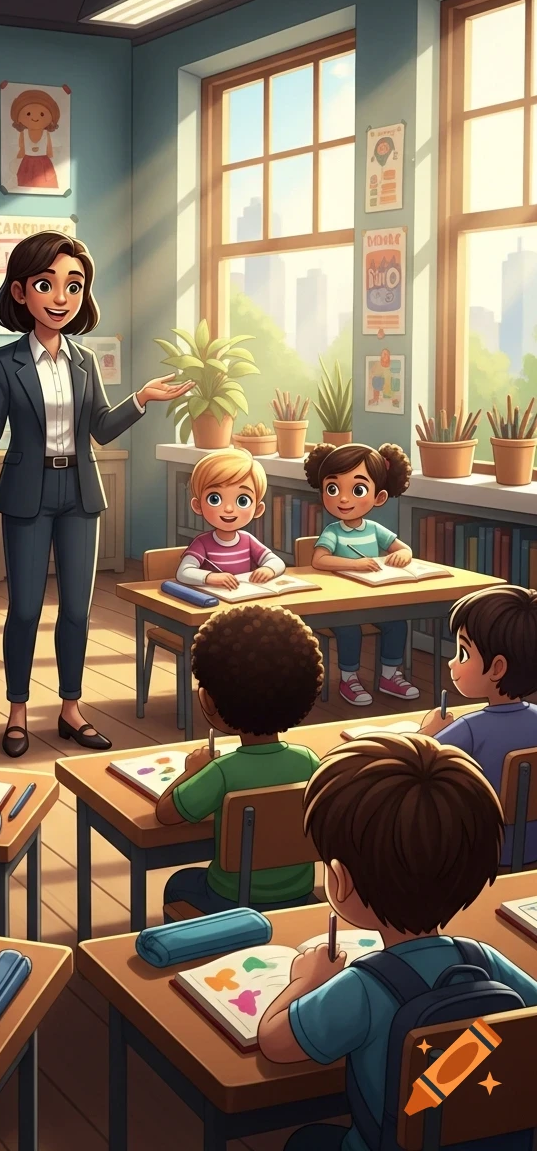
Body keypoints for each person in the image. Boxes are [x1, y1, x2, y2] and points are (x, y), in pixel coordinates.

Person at [0, 231, 190, 757]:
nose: (61, 298)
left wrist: (142, 399)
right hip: (27, 491)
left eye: (74, 286)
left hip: (80, 490)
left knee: (79, 612)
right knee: (24, 609)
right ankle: (16, 711)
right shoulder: (6, 362)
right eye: (47, 284)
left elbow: (102, 430)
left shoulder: (84, 362)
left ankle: (70, 708)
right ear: (21, 293)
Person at [257, 733, 537, 1151]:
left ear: (339, 878)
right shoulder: (484, 960)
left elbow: (275, 1043)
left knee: (305, 1141)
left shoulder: (363, 987)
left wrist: (305, 979)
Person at [157, 605, 322, 915]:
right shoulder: (309, 761)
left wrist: (192, 771)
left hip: (231, 900)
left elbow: (166, 814)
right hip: (300, 895)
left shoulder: (222, 771)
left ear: (209, 700)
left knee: (179, 883)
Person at [420, 584, 537, 868]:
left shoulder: (470, 729)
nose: (451, 663)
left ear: (497, 669)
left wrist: (427, 732)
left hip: (482, 852)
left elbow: (413, 760)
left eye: (463, 653)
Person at [304, 442, 418, 707]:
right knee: (349, 629)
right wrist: (356, 564)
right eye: (333, 489)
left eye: (357, 490)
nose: (344, 499)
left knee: (397, 624)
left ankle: (389, 676)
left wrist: (404, 554)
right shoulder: (333, 531)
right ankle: (349, 678)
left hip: (374, 599)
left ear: (378, 497)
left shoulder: (374, 528)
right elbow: (318, 560)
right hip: (339, 603)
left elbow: (404, 549)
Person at [175, 448, 284, 589]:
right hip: (215, 600)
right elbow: (183, 572)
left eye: (242, 501)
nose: (228, 509)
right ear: (197, 505)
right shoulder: (202, 543)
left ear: (258, 509)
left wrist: (269, 569)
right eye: (215, 499)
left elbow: (277, 562)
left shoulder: (248, 540)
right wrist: (210, 577)